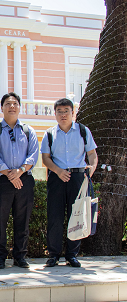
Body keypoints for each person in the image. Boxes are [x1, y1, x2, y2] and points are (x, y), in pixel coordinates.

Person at [41, 98, 98, 268]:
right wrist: (58, 171)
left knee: (77, 216)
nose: (63, 114)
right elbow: (45, 158)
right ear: (55, 114)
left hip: (78, 178)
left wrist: (91, 169)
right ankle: (53, 255)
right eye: (60, 111)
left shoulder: (83, 131)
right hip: (57, 178)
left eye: (66, 111)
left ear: (73, 112)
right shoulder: (49, 134)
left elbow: (92, 154)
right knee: (55, 217)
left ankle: (72, 255)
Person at [0, 92, 39, 269]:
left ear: (19, 107)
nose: (12, 106)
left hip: (24, 180)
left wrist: (20, 171)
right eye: (8, 103)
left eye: (15, 103)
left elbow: (33, 154)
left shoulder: (28, 130)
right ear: (2, 108)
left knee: (22, 220)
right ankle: (0, 256)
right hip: (2, 181)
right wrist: (10, 174)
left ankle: (20, 256)